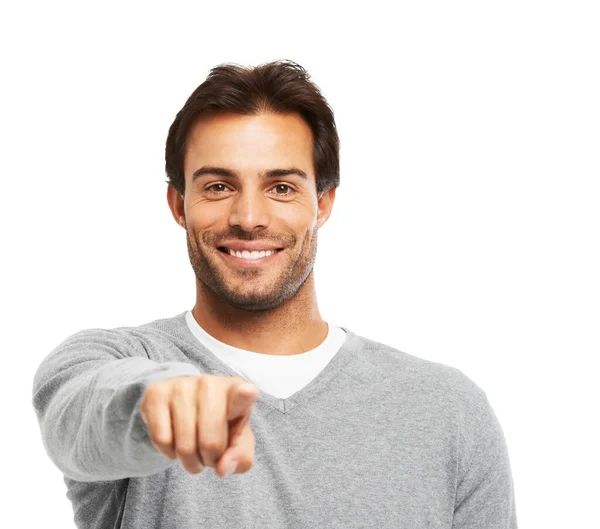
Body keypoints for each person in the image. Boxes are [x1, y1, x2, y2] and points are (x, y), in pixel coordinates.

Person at [32, 59, 518, 529]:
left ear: (322, 203)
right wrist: (155, 402)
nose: (248, 217)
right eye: (219, 186)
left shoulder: (449, 410)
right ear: (179, 204)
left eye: (281, 188)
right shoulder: (109, 359)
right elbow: (78, 419)